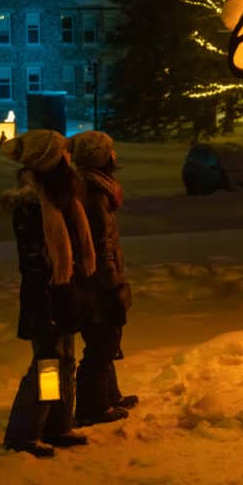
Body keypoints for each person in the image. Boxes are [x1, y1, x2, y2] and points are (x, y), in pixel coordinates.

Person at [0, 129, 96, 458]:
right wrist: (45, 304)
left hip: (64, 290)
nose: (70, 157)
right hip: (45, 295)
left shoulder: (61, 198)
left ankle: (57, 425)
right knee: (48, 364)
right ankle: (26, 432)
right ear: (50, 161)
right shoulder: (31, 205)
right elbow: (35, 262)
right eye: (64, 153)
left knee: (64, 361)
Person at [67, 131, 138, 426]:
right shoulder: (93, 192)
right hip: (96, 281)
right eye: (110, 151)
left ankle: (109, 396)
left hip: (96, 278)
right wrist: (111, 282)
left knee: (106, 339)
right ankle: (91, 408)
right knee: (102, 341)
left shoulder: (94, 187)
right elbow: (100, 243)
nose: (115, 156)